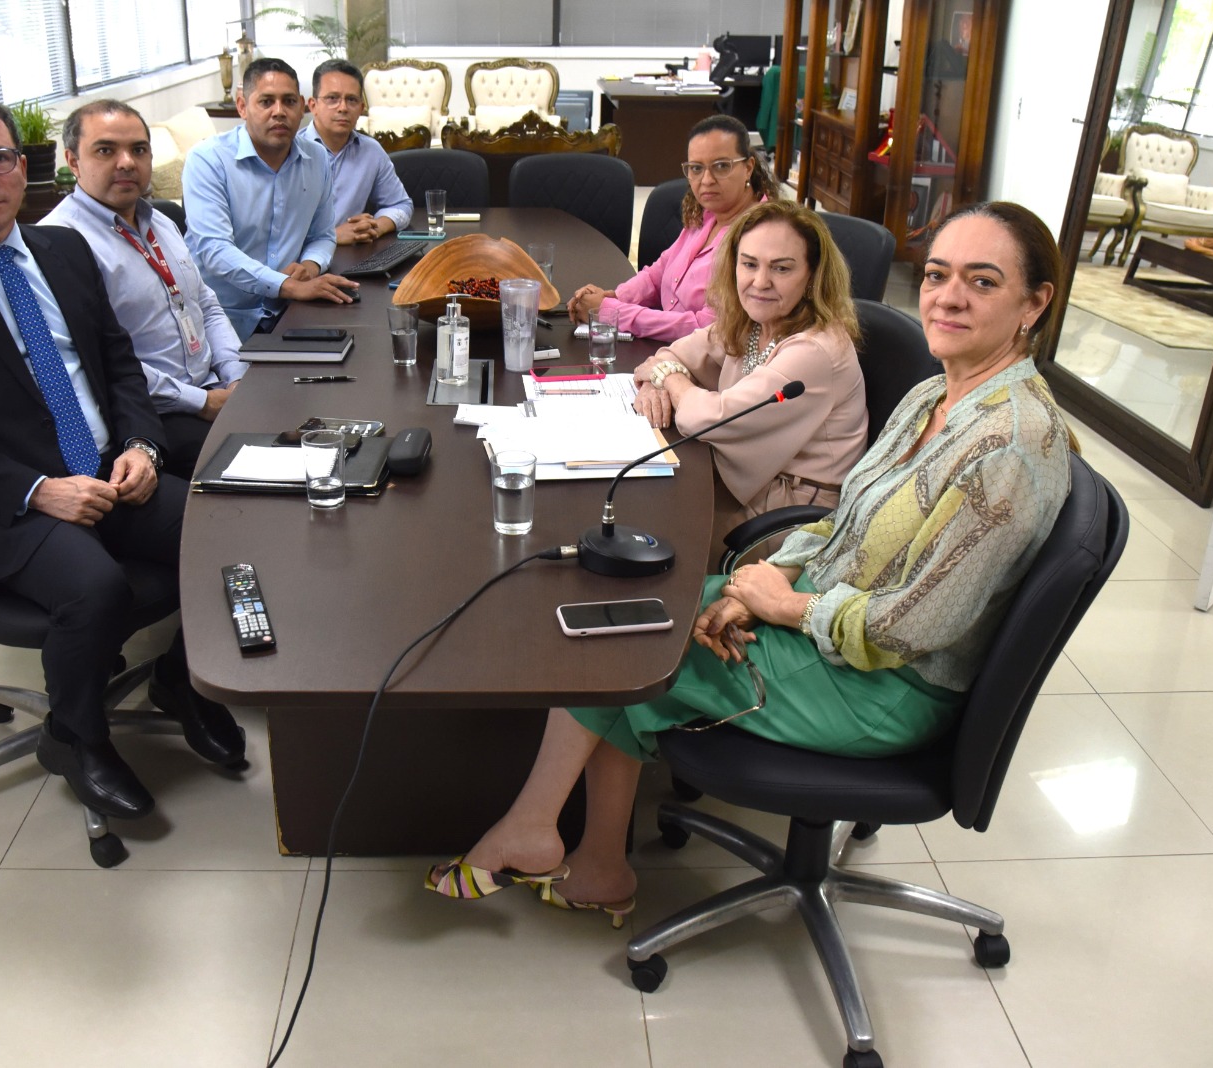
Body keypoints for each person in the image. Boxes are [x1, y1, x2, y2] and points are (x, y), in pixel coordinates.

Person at [427, 202, 1073, 925]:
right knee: (619, 614)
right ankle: (595, 861)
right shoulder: (937, 393)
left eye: (981, 282)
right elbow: (844, 521)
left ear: (1033, 304)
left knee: (623, 646)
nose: (948, 298)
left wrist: (784, 606)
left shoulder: (1009, 445)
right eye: (937, 275)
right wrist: (758, 584)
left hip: (886, 685)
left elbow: (908, 629)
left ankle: (534, 830)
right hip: (833, 620)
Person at [0, 95, 245, 823]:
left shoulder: (64, 250)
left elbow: (120, 366)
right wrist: (39, 489)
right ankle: (75, 738)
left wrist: (141, 447)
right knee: (96, 588)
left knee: (232, 535)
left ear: (23, 168)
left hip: (107, 470)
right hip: (7, 502)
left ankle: (181, 680)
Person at [630, 199, 868, 566]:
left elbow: (709, 419)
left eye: (781, 268)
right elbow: (671, 355)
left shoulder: (815, 350)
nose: (760, 282)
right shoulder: (753, 321)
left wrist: (669, 378)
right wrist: (657, 380)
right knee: (635, 511)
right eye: (749, 264)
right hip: (742, 478)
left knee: (659, 546)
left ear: (812, 276)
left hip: (790, 515)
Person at [42, 100, 245, 479]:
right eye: (106, 150)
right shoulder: (60, 242)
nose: (126, 162)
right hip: (153, 415)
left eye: (138, 150)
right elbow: (99, 361)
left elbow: (204, 304)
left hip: (215, 388)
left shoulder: (162, 220)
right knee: (268, 465)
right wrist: (203, 402)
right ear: (73, 162)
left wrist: (235, 376)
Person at [184, 57, 358, 335]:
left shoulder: (316, 158)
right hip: (221, 320)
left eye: (289, 102)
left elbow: (323, 235)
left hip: (289, 312)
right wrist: (287, 285)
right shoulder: (208, 160)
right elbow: (215, 250)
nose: (279, 112)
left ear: (302, 107)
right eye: (266, 102)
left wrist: (310, 267)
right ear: (242, 107)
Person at [567, 115, 777, 343]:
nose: (706, 180)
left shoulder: (760, 236)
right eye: (696, 168)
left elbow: (705, 328)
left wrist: (612, 311)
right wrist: (614, 297)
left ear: (748, 168)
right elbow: (658, 274)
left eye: (721, 166)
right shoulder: (707, 214)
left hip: (705, 360)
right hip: (665, 348)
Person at [298, 58, 414, 246]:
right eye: (332, 98)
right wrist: (333, 236)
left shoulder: (371, 152)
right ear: (313, 106)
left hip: (354, 254)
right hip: (302, 259)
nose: (343, 108)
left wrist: (375, 226)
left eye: (351, 100)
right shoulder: (290, 151)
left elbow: (401, 205)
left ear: (361, 108)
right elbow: (274, 235)